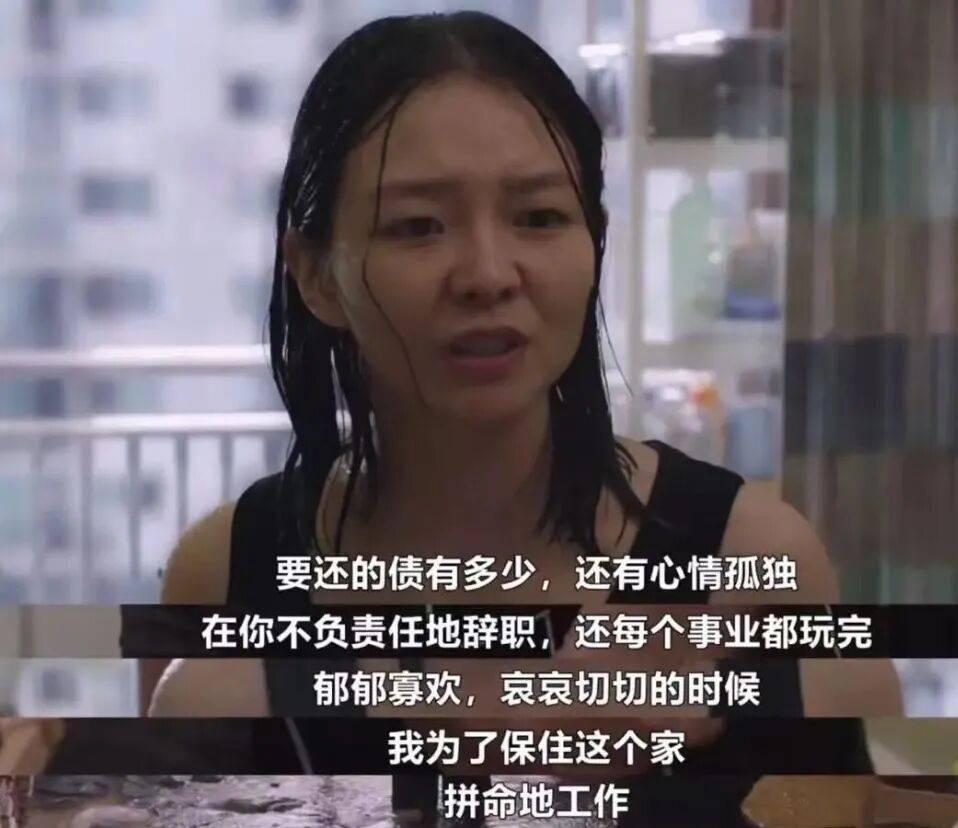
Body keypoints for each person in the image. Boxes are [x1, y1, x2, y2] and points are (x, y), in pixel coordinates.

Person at [137, 11, 903, 826]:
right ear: (316, 274)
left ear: (594, 243)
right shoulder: (225, 575)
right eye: (418, 226)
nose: (489, 274)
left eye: (539, 217)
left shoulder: (747, 561)